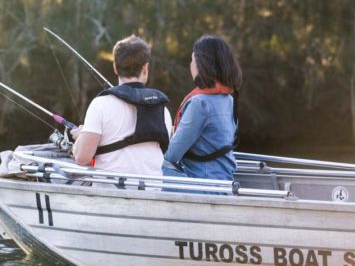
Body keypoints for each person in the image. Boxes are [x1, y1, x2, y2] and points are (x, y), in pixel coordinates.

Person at [70, 35, 173, 178]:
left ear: (115, 68)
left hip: (110, 194)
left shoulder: (100, 105)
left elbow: (82, 158)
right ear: (145, 68)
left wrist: (81, 136)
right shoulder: (163, 110)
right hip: (152, 193)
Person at [163, 35, 242, 182]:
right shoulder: (229, 99)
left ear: (202, 64)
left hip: (205, 186)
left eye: (192, 60)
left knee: (150, 167)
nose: (191, 65)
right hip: (224, 181)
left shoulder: (200, 103)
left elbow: (172, 155)